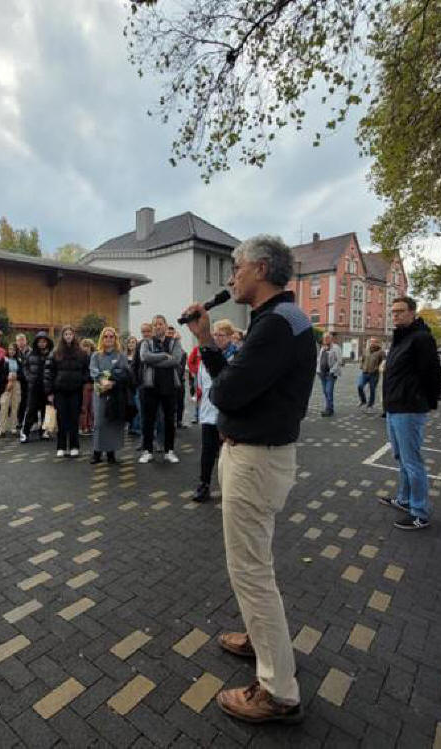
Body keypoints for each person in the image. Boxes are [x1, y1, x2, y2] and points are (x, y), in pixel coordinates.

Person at [181, 235, 316, 724]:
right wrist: (208, 343)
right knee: (256, 562)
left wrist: (209, 349)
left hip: (256, 460)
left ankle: (278, 691)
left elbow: (229, 394)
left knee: (252, 572)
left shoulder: (276, 326)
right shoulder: (284, 319)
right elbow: (235, 387)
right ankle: (262, 642)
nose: (231, 276)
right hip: (263, 456)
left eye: (235, 267)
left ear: (259, 269)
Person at [379, 296, 441, 531]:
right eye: (393, 311)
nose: (395, 315)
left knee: (412, 461)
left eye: (400, 311)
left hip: (409, 409)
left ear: (412, 313)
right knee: (401, 458)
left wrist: (424, 401)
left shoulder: (421, 339)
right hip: (395, 408)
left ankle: (420, 513)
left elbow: (434, 374)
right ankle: (405, 499)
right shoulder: (401, 338)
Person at [193, 319, 238, 502]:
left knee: (228, 454)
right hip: (208, 412)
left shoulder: (236, 357)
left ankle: (230, 488)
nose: (217, 338)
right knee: (207, 451)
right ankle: (204, 485)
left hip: (227, 414)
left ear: (230, 337)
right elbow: (201, 382)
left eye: (221, 335)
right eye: (215, 334)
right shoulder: (207, 356)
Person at [138, 314, 183, 464]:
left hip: (169, 386)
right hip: (150, 386)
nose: (158, 326)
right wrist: (164, 355)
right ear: (152, 327)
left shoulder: (174, 342)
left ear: (165, 325)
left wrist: (155, 361)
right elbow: (144, 357)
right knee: (148, 420)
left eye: (161, 324)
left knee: (170, 420)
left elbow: (176, 359)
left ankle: (169, 451)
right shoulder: (146, 342)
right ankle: (147, 451)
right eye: (155, 324)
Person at [44, 325, 88, 458]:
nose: (68, 336)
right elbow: (48, 373)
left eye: (70, 334)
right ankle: (61, 446)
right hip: (60, 391)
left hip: (75, 390)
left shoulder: (81, 353)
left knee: (74, 419)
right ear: (62, 336)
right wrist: (49, 392)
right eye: (66, 334)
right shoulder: (55, 352)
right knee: (61, 419)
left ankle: (74, 446)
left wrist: (82, 380)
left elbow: (87, 370)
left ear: (74, 336)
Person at [89, 327, 131, 464]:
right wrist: (103, 380)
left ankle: (111, 453)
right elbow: (93, 370)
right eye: (106, 336)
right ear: (102, 338)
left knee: (113, 422)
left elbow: (126, 373)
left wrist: (113, 382)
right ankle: (97, 453)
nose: (108, 339)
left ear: (115, 339)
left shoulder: (121, 355)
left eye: (111, 336)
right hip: (100, 393)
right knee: (100, 423)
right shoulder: (96, 355)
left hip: (116, 393)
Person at [19, 331, 53, 442]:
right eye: (40, 342)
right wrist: (29, 378)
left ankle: (44, 431)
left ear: (47, 342)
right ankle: (25, 432)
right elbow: (25, 367)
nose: (42, 344)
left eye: (44, 342)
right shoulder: (31, 354)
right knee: (30, 410)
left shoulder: (52, 355)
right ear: (36, 343)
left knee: (46, 410)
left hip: (46, 387)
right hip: (34, 386)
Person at [0, 350, 21, 436]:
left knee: (15, 405)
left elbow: (23, 373)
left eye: (14, 349)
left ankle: (13, 427)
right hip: (5, 384)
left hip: (17, 383)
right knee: (4, 405)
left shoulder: (19, 360)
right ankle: (2, 427)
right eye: (10, 349)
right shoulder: (4, 360)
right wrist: (7, 379)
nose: (12, 351)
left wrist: (17, 376)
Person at [317, 332, 342, 416]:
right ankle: (329, 408)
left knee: (328, 391)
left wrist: (332, 371)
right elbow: (319, 359)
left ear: (331, 339)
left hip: (331, 374)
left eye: (327, 338)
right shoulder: (323, 348)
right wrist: (318, 370)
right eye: (324, 338)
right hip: (322, 373)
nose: (326, 339)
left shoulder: (336, 348)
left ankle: (329, 409)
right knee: (325, 391)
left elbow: (339, 361)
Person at [10, 333, 31, 428]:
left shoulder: (31, 352)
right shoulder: (15, 352)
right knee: (19, 401)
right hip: (18, 380)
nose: (20, 342)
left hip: (29, 380)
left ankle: (28, 421)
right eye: (18, 340)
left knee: (28, 401)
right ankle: (19, 420)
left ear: (26, 341)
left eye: (22, 340)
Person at [358, 338, 386, 409]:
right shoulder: (366, 350)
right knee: (360, 386)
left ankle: (370, 404)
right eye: (371, 342)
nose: (372, 343)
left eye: (373, 342)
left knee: (372, 389)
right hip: (364, 373)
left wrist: (380, 367)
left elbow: (384, 361)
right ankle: (363, 400)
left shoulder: (381, 352)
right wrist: (361, 365)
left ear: (377, 343)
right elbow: (362, 359)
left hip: (374, 374)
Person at [124, 336, 142, 436]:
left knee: (137, 406)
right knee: (130, 406)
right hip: (127, 386)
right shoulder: (124, 357)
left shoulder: (140, 356)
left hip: (137, 384)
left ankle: (136, 427)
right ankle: (131, 426)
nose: (131, 344)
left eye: (133, 342)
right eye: (129, 342)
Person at [78, 338, 96, 436]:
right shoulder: (81, 358)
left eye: (87, 346)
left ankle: (90, 425)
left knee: (92, 407)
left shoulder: (95, 356)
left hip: (94, 384)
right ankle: (83, 427)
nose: (86, 348)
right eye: (84, 346)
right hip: (85, 384)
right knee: (84, 406)